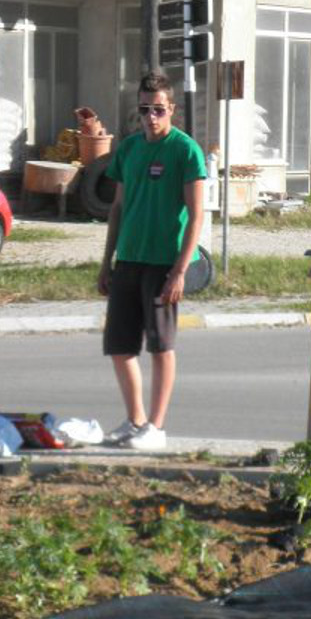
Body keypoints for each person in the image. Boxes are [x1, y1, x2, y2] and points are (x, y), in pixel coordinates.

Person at [96, 70, 206, 452]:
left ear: (171, 109)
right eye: (145, 109)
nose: (151, 117)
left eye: (158, 109)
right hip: (128, 260)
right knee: (120, 346)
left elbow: (196, 215)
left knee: (161, 346)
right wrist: (106, 262)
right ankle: (135, 420)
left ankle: (156, 427)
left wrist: (180, 270)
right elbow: (118, 208)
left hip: (163, 264)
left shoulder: (185, 150)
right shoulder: (128, 149)